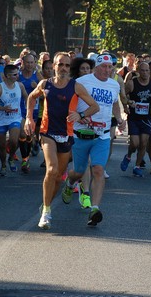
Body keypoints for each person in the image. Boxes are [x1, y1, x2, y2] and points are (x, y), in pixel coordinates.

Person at [25, 52, 99, 230]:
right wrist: (29, 118)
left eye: (67, 65)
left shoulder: (76, 87)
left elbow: (94, 106)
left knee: (58, 177)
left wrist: (80, 115)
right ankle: (46, 213)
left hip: (66, 135)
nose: (64, 68)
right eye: (60, 65)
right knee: (52, 169)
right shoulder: (45, 84)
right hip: (47, 132)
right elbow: (31, 97)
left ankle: (46, 205)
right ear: (54, 67)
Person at [61, 53, 125, 226]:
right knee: (79, 171)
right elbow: (70, 103)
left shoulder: (114, 85)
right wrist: (79, 116)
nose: (107, 70)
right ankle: (70, 182)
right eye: (104, 66)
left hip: (102, 135)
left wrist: (119, 119)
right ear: (96, 67)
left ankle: (94, 209)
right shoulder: (82, 82)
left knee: (98, 170)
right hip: (81, 134)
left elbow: (114, 104)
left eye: (110, 67)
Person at [0, 64, 28, 177]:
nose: (17, 76)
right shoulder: (0, 87)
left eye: (18, 74)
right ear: (7, 76)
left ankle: (11, 157)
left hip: (15, 117)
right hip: (1, 119)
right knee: (1, 145)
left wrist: (28, 103)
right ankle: (3, 164)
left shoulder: (20, 85)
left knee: (13, 140)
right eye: (14, 74)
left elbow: (27, 96)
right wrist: (3, 108)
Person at [120, 61, 151, 177]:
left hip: (146, 118)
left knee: (143, 143)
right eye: (143, 70)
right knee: (135, 143)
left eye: (147, 70)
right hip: (134, 118)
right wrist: (126, 106)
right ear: (138, 71)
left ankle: (137, 166)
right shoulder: (132, 83)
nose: (145, 73)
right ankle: (128, 155)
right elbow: (123, 95)